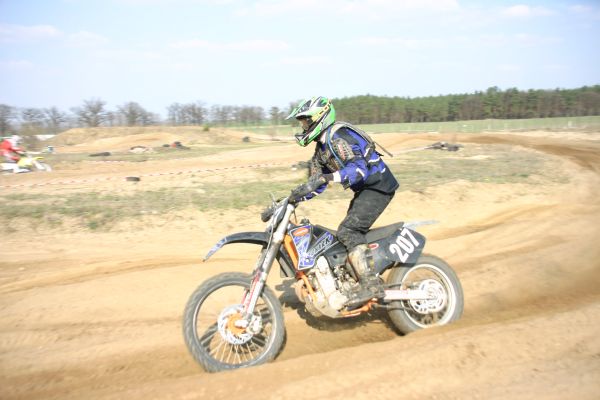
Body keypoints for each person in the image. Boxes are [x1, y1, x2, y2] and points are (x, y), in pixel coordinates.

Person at [287, 96, 399, 306]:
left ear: (319, 118)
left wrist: (327, 177)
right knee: (342, 236)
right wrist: (291, 199)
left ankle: (370, 284)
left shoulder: (339, 137)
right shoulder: (321, 149)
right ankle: (350, 279)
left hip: (378, 186)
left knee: (349, 231)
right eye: (302, 123)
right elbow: (316, 183)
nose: (303, 126)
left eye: (306, 121)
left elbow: (359, 170)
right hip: (365, 190)